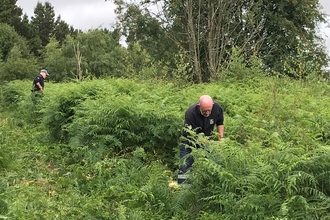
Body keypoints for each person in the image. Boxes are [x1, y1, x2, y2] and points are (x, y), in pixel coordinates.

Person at [178, 95, 224, 184]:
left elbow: (220, 123)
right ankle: (183, 189)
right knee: (185, 167)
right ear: (199, 106)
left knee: (209, 166)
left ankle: (203, 189)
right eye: (204, 111)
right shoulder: (191, 113)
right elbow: (194, 137)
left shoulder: (217, 108)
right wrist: (212, 143)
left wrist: (221, 139)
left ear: (213, 105)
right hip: (189, 141)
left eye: (209, 110)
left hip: (207, 139)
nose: (207, 113)